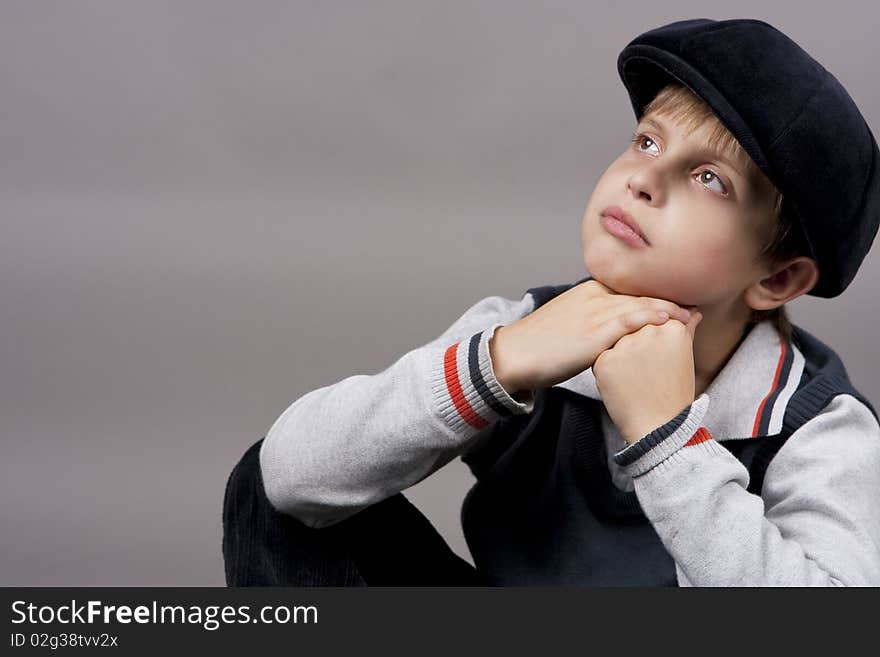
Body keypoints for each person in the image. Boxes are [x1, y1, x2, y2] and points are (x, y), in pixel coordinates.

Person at [222, 18, 880, 586]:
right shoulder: (530, 331)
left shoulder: (819, 426)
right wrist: (499, 362)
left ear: (778, 278)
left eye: (710, 179)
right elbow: (289, 476)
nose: (644, 177)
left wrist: (672, 440)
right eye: (647, 141)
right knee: (274, 482)